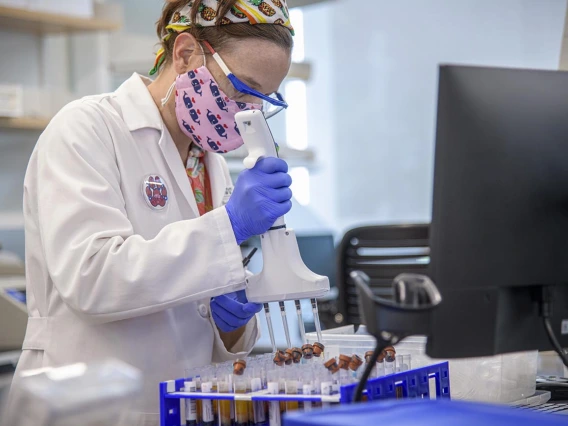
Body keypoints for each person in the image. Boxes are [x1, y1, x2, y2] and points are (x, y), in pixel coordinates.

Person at [9, 0, 295, 423]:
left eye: (262, 100)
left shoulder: (211, 162)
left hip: (179, 407)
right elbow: (92, 277)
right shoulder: (86, 129)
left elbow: (195, 307)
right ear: (184, 55)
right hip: (85, 409)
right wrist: (228, 225)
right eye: (241, 89)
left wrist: (229, 323)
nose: (248, 113)